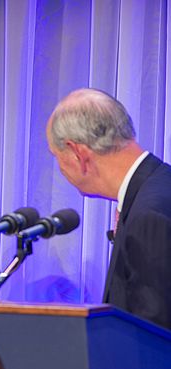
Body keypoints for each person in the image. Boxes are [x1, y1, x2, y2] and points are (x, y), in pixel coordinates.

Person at [46, 88, 171, 330]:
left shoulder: (148, 215)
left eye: (56, 156)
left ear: (77, 154)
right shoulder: (157, 185)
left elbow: (153, 340)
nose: (59, 169)